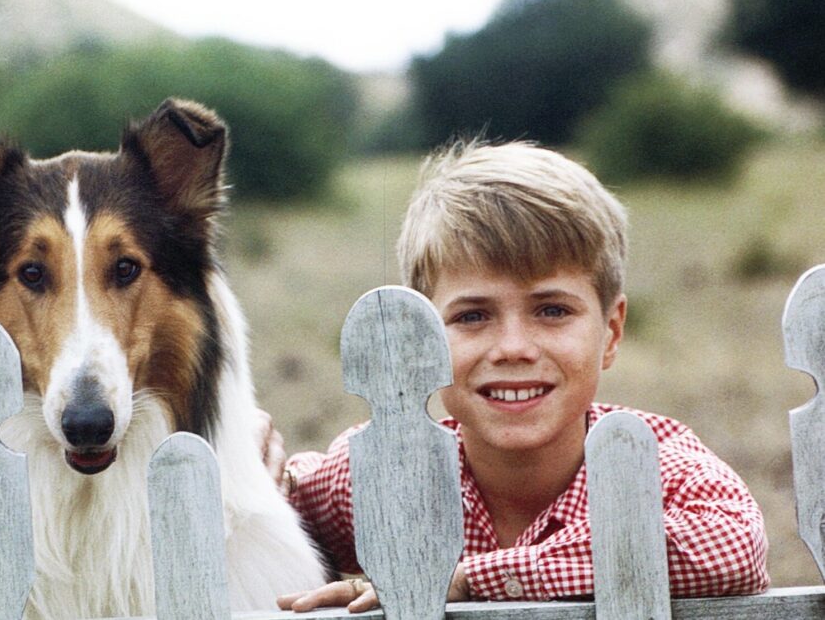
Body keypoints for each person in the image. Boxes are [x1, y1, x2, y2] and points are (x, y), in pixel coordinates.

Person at [274, 140, 770, 613]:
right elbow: (278, 497)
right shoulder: (388, 471)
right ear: (421, 342)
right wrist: (262, 460)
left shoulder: (655, 468)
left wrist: (470, 579)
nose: (513, 347)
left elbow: (732, 544)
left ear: (612, 332)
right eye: (472, 316)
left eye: (552, 310)